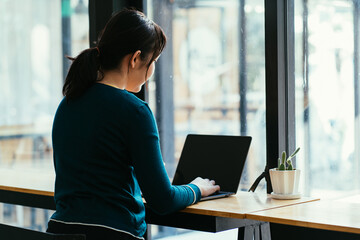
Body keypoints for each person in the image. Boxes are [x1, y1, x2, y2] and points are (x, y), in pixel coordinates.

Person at [46, 9, 220, 240]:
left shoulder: (67, 104)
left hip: (59, 230)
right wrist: (196, 188)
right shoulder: (134, 111)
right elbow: (162, 199)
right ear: (136, 58)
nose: (153, 70)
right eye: (154, 61)